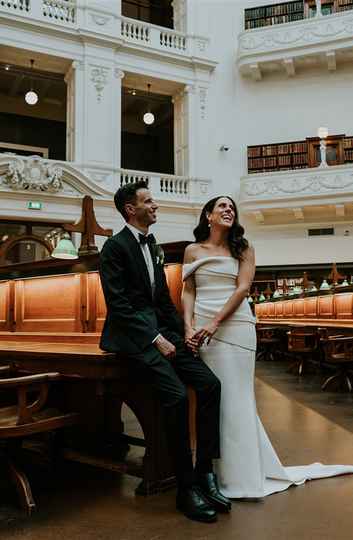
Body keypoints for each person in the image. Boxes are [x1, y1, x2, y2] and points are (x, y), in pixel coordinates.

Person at [182, 195, 353, 499]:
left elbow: (243, 288)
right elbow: (188, 290)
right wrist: (189, 326)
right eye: (222, 206)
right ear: (207, 214)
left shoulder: (243, 248)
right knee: (213, 400)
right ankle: (212, 473)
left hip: (234, 326)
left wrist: (214, 323)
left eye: (232, 207)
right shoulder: (192, 250)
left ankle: (241, 477)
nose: (228, 209)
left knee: (237, 399)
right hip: (201, 327)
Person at [99, 181, 231, 522]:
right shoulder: (114, 247)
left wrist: (181, 332)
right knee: (174, 397)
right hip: (132, 338)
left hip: (163, 331)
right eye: (148, 201)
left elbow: (160, 300)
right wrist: (157, 339)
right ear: (131, 209)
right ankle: (185, 489)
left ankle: (205, 474)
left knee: (210, 385)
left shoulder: (152, 244)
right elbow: (119, 306)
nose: (155, 205)